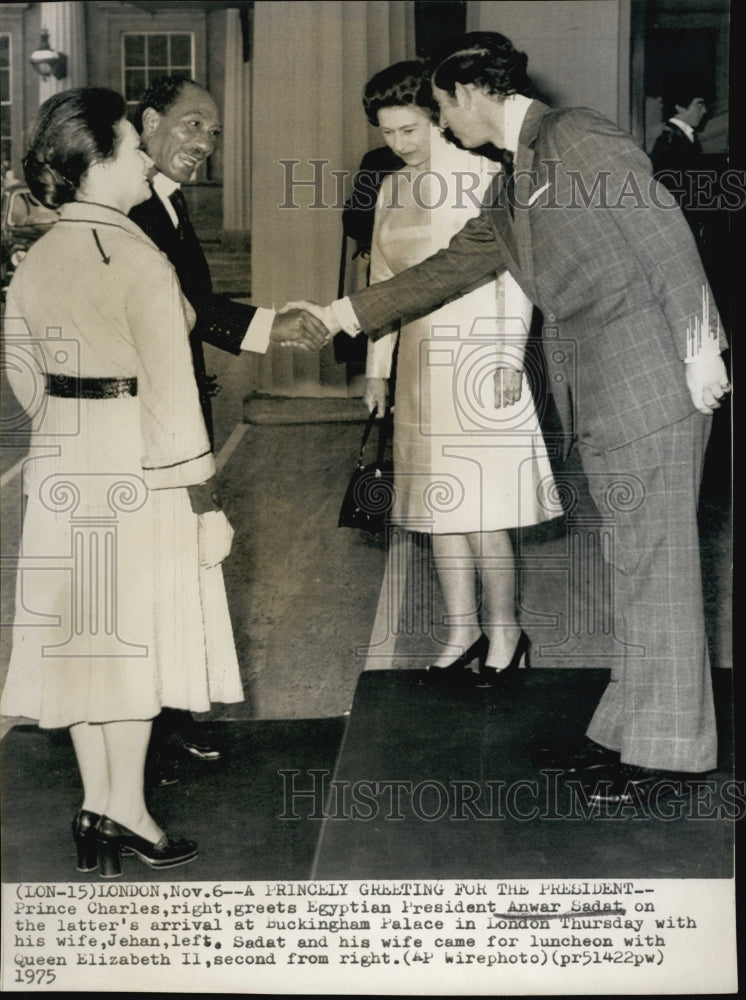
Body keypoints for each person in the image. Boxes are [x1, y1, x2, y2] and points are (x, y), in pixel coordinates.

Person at [307, 32, 731, 804]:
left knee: (659, 570)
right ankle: (632, 730)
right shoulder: (514, 182)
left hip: (651, 380)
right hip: (604, 389)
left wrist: (704, 348)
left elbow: (663, 232)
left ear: (471, 94)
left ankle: (671, 756)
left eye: (439, 107)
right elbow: (451, 266)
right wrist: (340, 314)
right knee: (635, 569)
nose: (439, 123)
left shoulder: (576, 136)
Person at [1, 87, 242, 875]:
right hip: (139, 466)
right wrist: (205, 503)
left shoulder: (36, 254)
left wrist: (62, 430)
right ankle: (129, 813)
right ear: (100, 161)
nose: (147, 155)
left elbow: (19, 371)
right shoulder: (138, 256)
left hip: (62, 461)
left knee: (83, 643)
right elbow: (174, 398)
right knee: (137, 643)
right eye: (133, 148)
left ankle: (97, 806)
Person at [129, 75, 328, 780]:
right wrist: (271, 327)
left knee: (181, 568)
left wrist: (274, 325)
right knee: (148, 571)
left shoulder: (168, 203)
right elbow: (179, 311)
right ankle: (139, 736)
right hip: (144, 424)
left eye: (213, 133)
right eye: (192, 126)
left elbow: (197, 303)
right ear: (149, 122)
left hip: (181, 409)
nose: (206, 145)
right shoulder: (121, 207)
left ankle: (170, 717)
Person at [359, 60, 560, 679]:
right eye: (389, 133)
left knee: (484, 511)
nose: (400, 145)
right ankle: (460, 633)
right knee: (433, 511)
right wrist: (377, 369)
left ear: (438, 117)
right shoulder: (391, 187)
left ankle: (506, 635)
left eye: (411, 130)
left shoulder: (483, 175)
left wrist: (507, 356)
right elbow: (384, 281)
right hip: (418, 363)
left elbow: (517, 275)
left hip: (477, 358)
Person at [648, 78, 709, 253]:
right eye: (699, 105)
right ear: (680, 106)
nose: (704, 111)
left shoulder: (683, 137)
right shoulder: (669, 140)